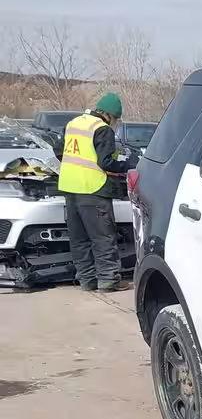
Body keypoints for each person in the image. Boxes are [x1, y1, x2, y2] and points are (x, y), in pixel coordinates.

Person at [57, 93, 136, 292]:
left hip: (69, 188)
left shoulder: (73, 123)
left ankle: (87, 281)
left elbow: (60, 150)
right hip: (93, 189)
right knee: (103, 238)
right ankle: (109, 280)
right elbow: (106, 162)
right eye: (116, 120)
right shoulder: (102, 129)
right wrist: (129, 164)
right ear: (110, 116)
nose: (115, 124)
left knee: (79, 239)